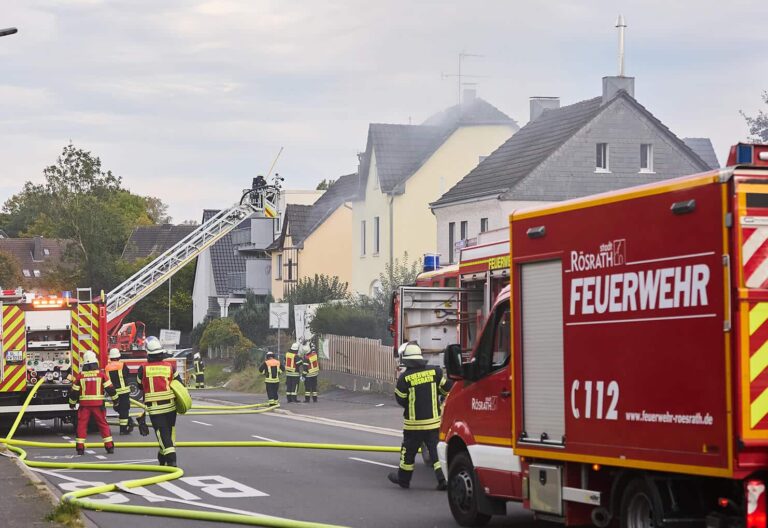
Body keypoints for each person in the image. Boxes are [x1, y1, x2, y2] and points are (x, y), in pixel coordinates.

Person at [388, 342, 451, 490]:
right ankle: (442, 480)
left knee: (408, 453)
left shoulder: (404, 378)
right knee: (435, 453)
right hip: (433, 424)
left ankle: (403, 480)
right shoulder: (435, 372)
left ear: (407, 360)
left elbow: (400, 399)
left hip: (413, 425)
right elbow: (446, 388)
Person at [137, 336, 183, 467]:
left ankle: (171, 459)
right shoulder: (170, 367)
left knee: (162, 433)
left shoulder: (143, 369)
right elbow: (179, 384)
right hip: (171, 407)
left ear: (148, 354)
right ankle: (162, 457)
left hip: (155, 408)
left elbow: (140, 386)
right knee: (169, 431)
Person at [68, 350, 117, 455]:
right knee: (103, 424)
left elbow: (74, 392)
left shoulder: (80, 376)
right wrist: (116, 400)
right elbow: (110, 389)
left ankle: (80, 448)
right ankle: (109, 447)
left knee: (82, 425)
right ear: (95, 362)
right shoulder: (101, 375)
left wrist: (72, 403)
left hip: (84, 406)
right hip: (98, 405)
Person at [106, 348, 134, 435]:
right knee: (124, 409)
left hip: (114, 392)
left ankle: (128, 421)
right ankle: (123, 429)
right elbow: (127, 374)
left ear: (110, 357)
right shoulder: (122, 365)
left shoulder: (107, 367)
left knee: (118, 407)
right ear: (118, 356)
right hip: (124, 391)